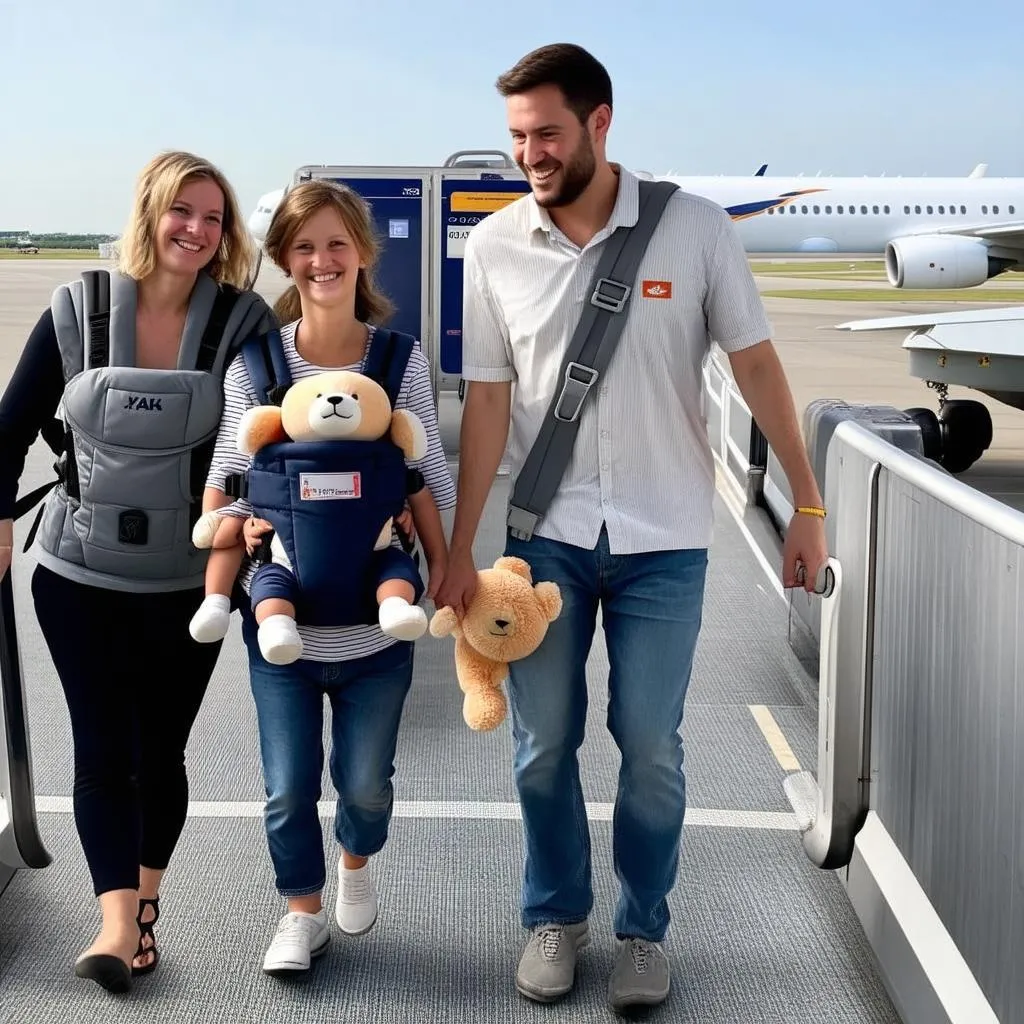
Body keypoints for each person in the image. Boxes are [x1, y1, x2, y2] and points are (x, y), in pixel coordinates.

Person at [434, 43, 830, 1014]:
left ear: (600, 123)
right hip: (544, 537)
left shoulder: (691, 228)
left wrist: (807, 503)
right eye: (517, 136)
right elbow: (487, 404)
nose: (530, 152)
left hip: (663, 539)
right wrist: (457, 546)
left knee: (648, 742)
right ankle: (554, 917)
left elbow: (757, 367)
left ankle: (642, 929)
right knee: (540, 743)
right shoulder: (492, 250)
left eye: (548, 134)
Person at [0, 150, 276, 993]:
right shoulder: (76, 308)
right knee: (100, 750)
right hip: (78, 579)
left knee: (161, 754)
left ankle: (144, 908)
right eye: (181, 211)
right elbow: (10, 424)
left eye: (214, 218)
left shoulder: (244, 322)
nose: (196, 230)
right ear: (150, 212)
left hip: (190, 585)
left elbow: (274, 440)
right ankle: (116, 926)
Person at [202, 178, 455, 975]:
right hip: (282, 625)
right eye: (304, 246)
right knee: (285, 788)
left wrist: (449, 565)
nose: (322, 261)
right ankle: (300, 912)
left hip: (375, 632)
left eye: (337, 244)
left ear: (363, 254)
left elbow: (428, 472)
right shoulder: (258, 362)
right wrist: (226, 523)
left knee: (366, 786)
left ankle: (355, 859)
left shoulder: (398, 359)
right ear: (284, 258)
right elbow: (229, 469)